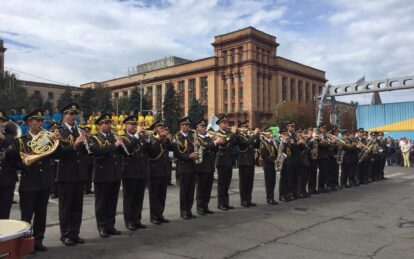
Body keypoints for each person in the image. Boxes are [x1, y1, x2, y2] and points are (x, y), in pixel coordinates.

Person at [18, 109, 59, 252]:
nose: (41, 123)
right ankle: (25, 243)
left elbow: (55, 154)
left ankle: (38, 241)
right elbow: (20, 162)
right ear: (30, 122)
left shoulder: (48, 137)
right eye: (38, 121)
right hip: (29, 183)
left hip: (44, 182)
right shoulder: (22, 140)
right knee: (27, 216)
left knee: (41, 214)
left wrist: (56, 140)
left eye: (42, 121)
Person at [55, 103, 89, 246]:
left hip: (79, 174)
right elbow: (57, 153)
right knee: (66, 206)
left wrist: (87, 143)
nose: (73, 117)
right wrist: (74, 145)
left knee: (77, 206)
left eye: (75, 114)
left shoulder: (79, 130)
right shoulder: (59, 131)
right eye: (70, 114)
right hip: (66, 174)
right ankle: (66, 235)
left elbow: (85, 153)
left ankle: (75, 233)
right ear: (64, 115)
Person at [89, 114, 124, 238]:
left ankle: (110, 225)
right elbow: (97, 152)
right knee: (101, 203)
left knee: (112, 202)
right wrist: (114, 146)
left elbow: (123, 153)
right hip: (102, 175)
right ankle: (102, 227)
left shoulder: (113, 137)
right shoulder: (94, 138)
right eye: (105, 123)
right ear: (99, 125)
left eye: (109, 123)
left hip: (114, 174)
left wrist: (121, 143)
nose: (108, 125)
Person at [121, 115, 150, 231]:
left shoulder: (140, 138)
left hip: (141, 171)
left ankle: (137, 220)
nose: (134, 126)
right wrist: (137, 135)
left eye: (135, 124)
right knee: (130, 198)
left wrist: (147, 138)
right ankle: (129, 221)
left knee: (139, 198)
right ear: (126, 126)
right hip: (130, 172)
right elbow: (128, 149)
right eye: (132, 124)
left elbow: (148, 151)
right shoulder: (123, 138)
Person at [147, 119, 172, 225]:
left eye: (163, 127)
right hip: (154, 171)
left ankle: (160, 214)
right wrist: (158, 139)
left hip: (164, 170)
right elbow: (152, 152)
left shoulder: (163, 139)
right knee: (154, 195)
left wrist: (167, 139)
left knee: (162, 194)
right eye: (160, 127)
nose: (162, 128)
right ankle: (154, 216)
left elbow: (171, 148)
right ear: (155, 128)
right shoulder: (151, 138)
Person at [174, 117, 199, 220]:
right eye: (185, 125)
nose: (187, 126)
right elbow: (178, 153)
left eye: (188, 125)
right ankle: (183, 211)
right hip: (184, 167)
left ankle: (189, 210)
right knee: (184, 191)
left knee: (191, 190)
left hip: (192, 167)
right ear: (181, 126)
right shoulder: (177, 137)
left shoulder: (191, 137)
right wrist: (189, 156)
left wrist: (197, 145)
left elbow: (195, 149)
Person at [194, 119, 221, 215]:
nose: (204, 128)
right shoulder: (196, 138)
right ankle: (200, 207)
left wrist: (217, 141)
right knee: (201, 188)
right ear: (197, 128)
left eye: (205, 126)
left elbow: (215, 148)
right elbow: (203, 148)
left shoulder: (208, 138)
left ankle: (206, 206)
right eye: (202, 126)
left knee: (208, 188)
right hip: (201, 167)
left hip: (209, 166)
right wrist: (215, 142)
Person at [214, 115, 238, 210]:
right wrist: (232, 133)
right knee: (222, 184)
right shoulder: (216, 133)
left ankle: (226, 203)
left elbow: (234, 142)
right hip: (221, 161)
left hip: (229, 160)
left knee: (227, 183)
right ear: (219, 124)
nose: (226, 124)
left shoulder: (229, 133)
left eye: (226, 123)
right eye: (224, 123)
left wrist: (235, 133)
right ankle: (221, 204)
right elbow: (225, 142)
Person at [0, 110, 21, 219]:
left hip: (7, 181)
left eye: (1, 121)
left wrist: (3, 140)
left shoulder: (9, 138)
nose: (0, 123)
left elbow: (16, 155)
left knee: (4, 214)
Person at [236, 120, 260, 207]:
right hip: (243, 162)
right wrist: (254, 135)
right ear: (240, 128)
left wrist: (257, 136)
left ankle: (249, 199)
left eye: (246, 127)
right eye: (244, 127)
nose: (246, 128)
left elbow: (257, 145)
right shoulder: (239, 137)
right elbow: (246, 143)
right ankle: (243, 200)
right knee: (243, 182)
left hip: (250, 161)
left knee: (250, 182)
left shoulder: (249, 136)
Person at [259, 127, 278, 205]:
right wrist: (272, 160)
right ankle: (269, 198)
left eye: (271, 132)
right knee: (269, 182)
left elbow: (276, 153)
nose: (270, 134)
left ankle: (272, 197)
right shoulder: (263, 143)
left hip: (273, 164)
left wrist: (277, 159)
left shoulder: (273, 142)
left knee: (273, 182)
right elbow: (263, 155)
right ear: (265, 134)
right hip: (268, 164)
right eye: (269, 132)